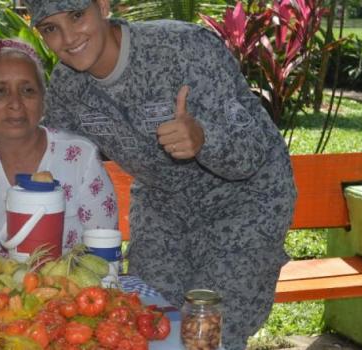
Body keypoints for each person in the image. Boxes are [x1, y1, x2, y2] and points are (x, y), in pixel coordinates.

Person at [22, 1, 297, 349]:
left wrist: (203, 138)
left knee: (207, 334)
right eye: (50, 28)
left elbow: (252, 152)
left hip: (244, 200)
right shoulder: (68, 86)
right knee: (146, 322)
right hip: (163, 203)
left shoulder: (183, 48)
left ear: (103, 6)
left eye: (77, 16)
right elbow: (49, 148)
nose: (68, 37)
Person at [0, 38, 118, 258]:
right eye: (0, 92)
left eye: (28, 90)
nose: (15, 103)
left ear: (43, 102)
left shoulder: (80, 159)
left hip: (72, 292)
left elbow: (104, 258)